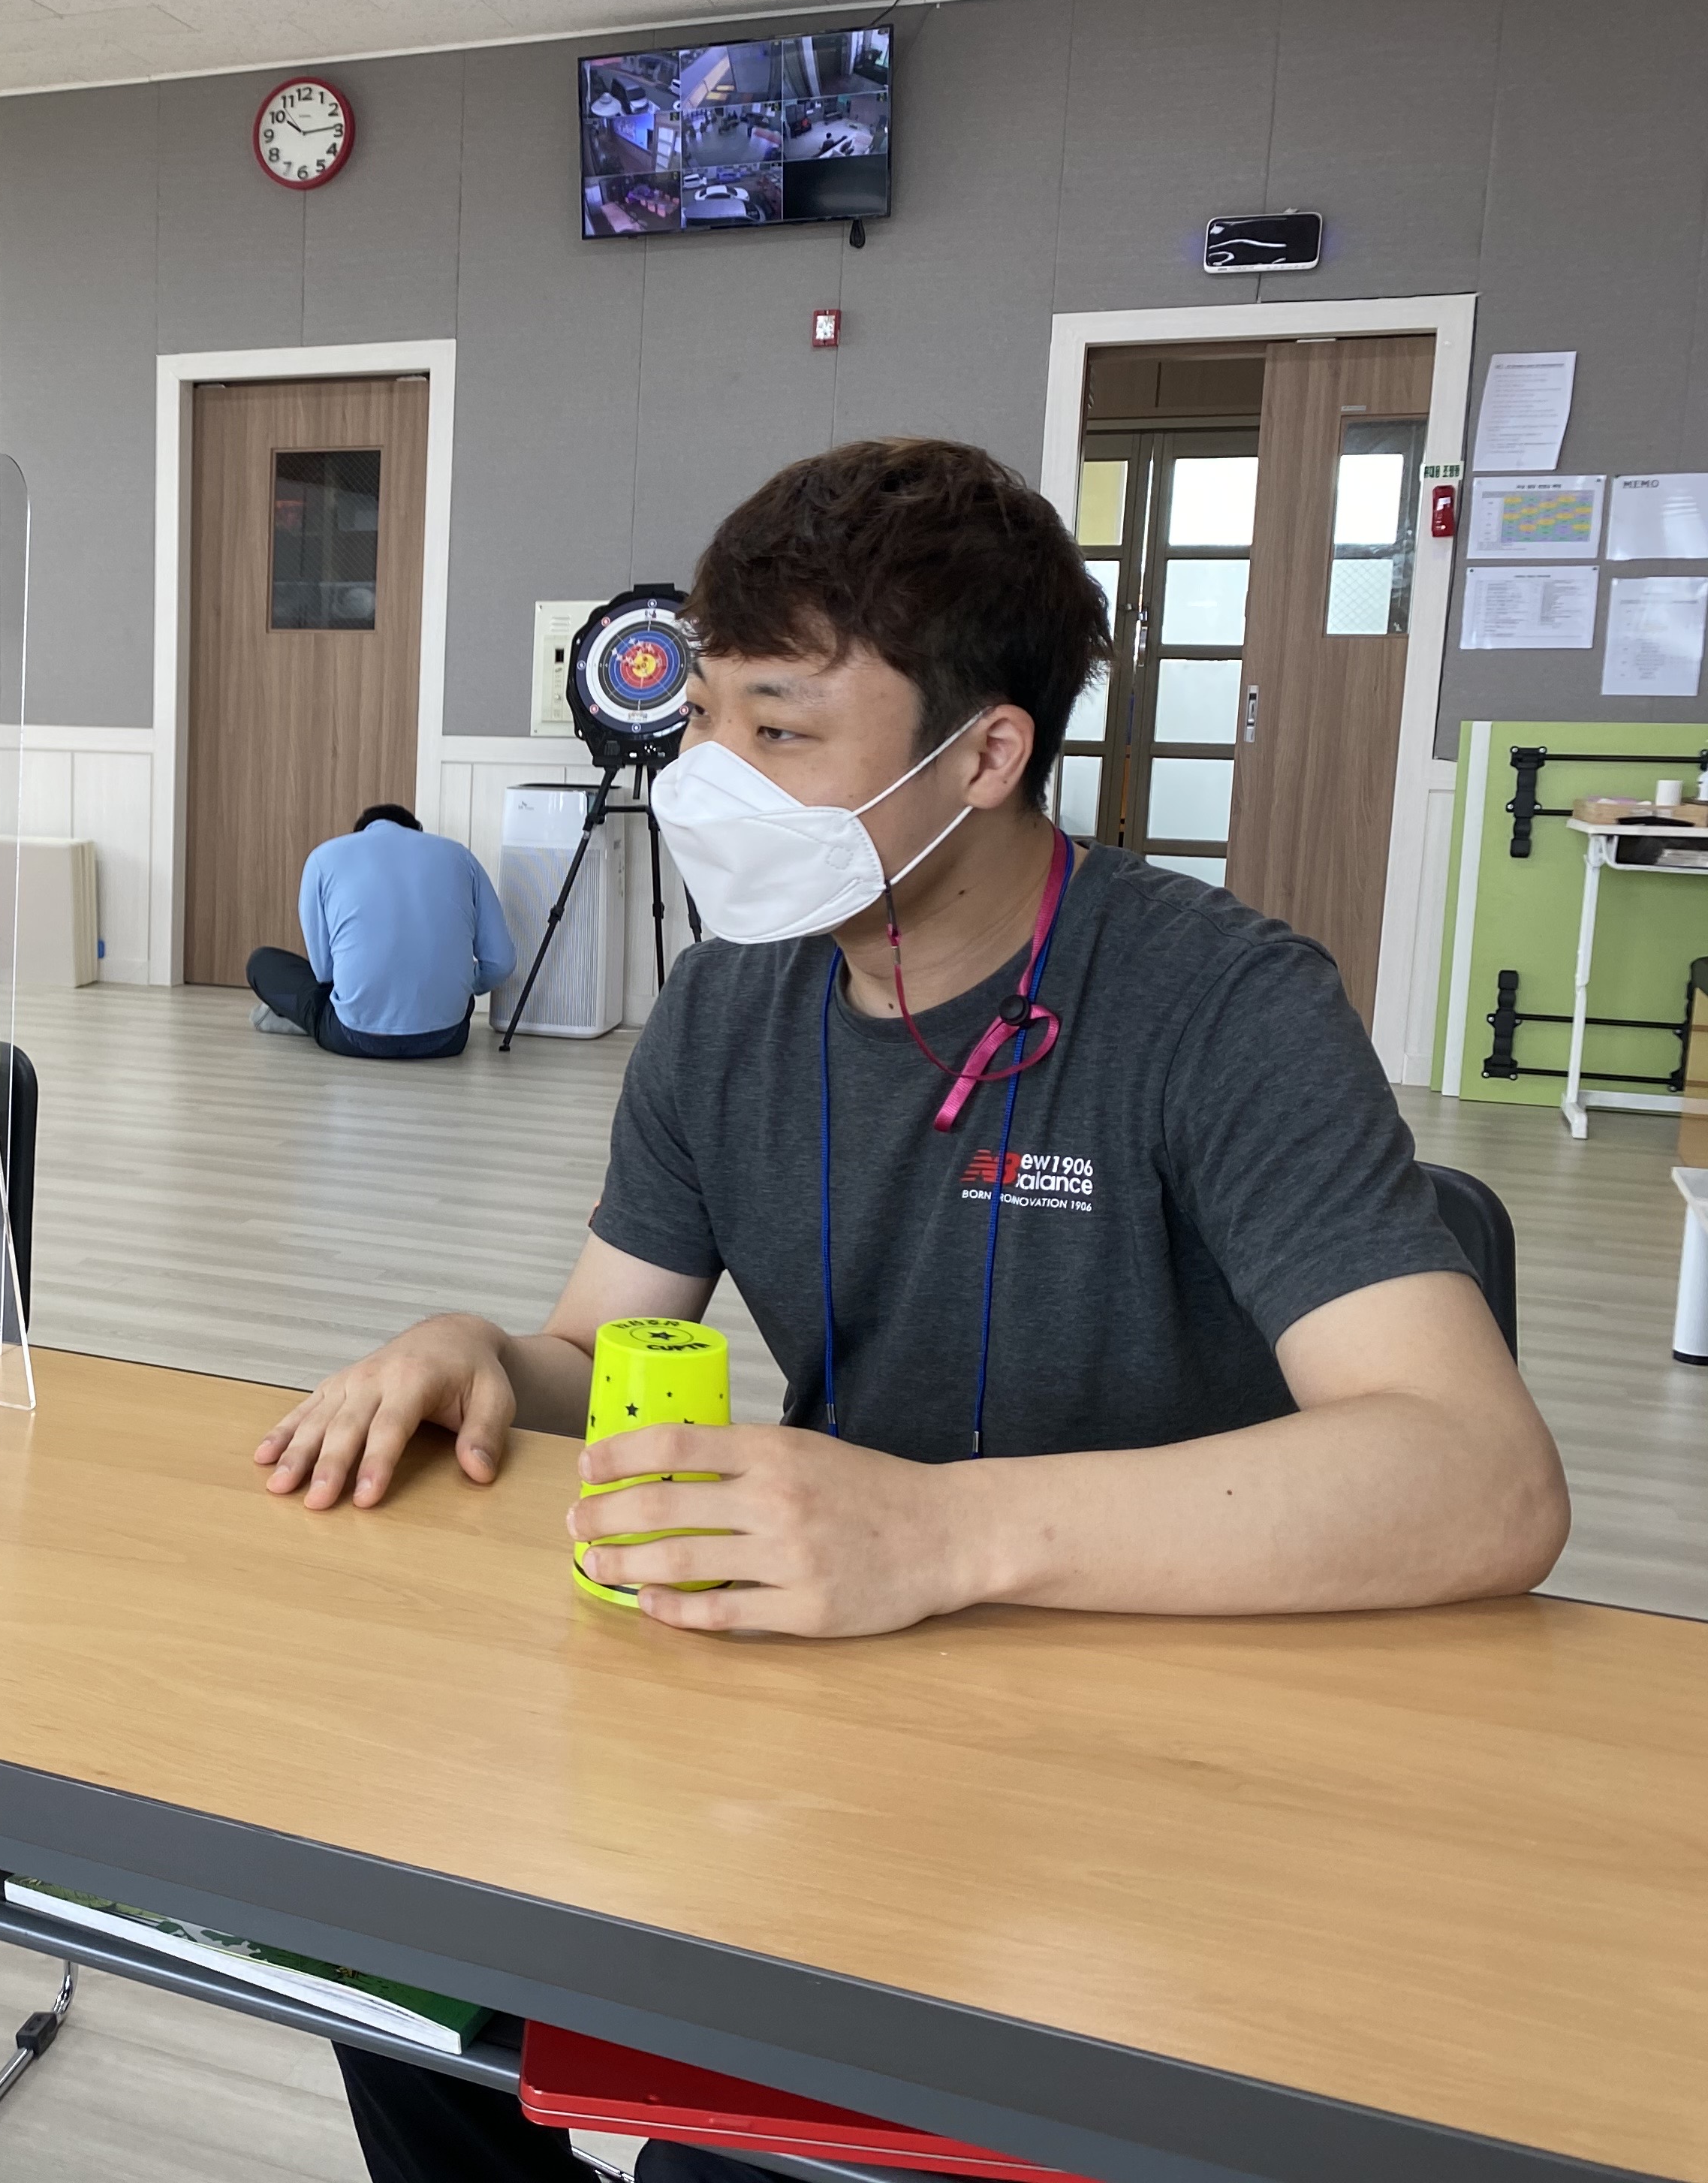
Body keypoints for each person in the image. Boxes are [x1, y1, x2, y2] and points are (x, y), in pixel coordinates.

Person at [252, 438, 1568, 2183]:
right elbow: (599, 1355)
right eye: (705, 720)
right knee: (392, 1972)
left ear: (988, 756)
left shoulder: (1228, 1008)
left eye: (783, 731)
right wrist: (476, 1356)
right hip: (831, 1724)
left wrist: (942, 1532)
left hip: (1166, 1781)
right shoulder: (725, 1008)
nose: (713, 782)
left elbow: (1481, 1481)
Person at [249, 803, 515, 1058]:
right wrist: (466, 983)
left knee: (261, 962)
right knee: (453, 990)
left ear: (359, 834)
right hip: (448, 1039)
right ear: (417, 832)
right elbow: (501, 963)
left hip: (352, 1037)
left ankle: (298, 1020)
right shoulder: (461, 857)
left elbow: (324, 973)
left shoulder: (323, 858)